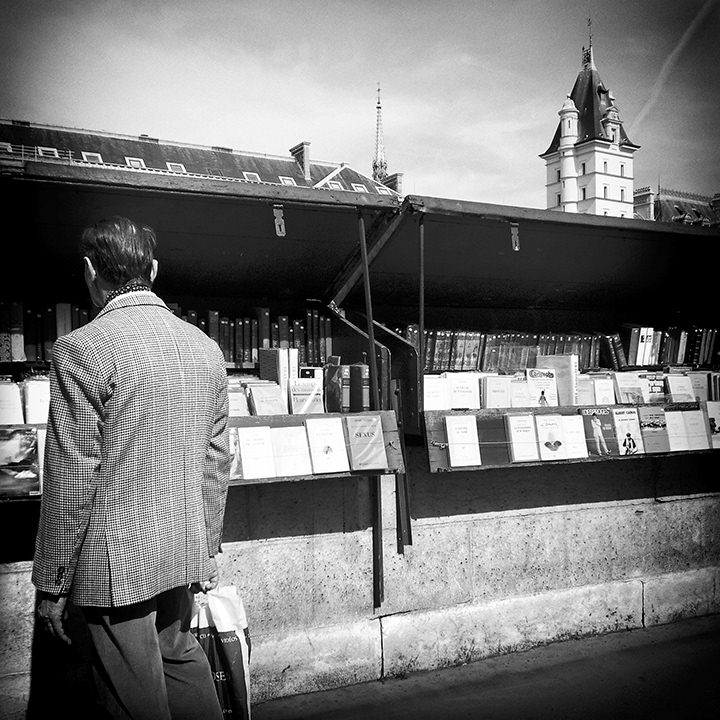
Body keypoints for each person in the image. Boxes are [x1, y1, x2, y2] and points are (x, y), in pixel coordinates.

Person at [32, 216, 231, 720]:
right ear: (155, 270)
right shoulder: (204, 350)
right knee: (181, 659)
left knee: (132, 696)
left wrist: (53, 582)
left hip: (113, 560)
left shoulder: (81, 349)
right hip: (181, 546)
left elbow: (72, 473)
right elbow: (215, 459)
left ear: (89, 271)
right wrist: (206, 548)